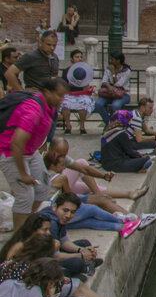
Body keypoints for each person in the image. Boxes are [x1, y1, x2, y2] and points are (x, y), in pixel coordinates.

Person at [0, 77, 66, 224]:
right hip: (10, 152)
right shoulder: (33, 110)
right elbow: (16, 143)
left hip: (30, 151)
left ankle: (27, 224)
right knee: (25, 195)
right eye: (59, 95)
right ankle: (18, 238)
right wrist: (23, 174)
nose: (62, 99)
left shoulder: (48, 105)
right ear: (47, 92)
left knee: (42, 188)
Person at [34, 193, 103, 277]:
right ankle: (84, 268)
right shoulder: (51, 224)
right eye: (65, 210)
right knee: (77, 262)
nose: (68, 215)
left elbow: (64, 241)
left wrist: (81, 250)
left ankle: (86, 265)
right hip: (40, 260)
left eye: (72, 212)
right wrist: (81, 255)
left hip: (52, 253)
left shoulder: (57, 216)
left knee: (84, 244)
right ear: (55, 206)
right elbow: (54, 256)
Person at [60, 50, 94, 134]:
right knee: (64, 103)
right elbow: (63, 86)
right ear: (72, 59)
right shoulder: (66, 71)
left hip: (81, 94)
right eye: (77, 57)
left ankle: (82, 126)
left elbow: (86, 86)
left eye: (80, 57)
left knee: (84, 102)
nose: (79, 59)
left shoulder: (85, 70)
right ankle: (68, 126)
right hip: (69, 94)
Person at [93, 52, 132, 125]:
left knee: (115, 106)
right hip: (109, 93)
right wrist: (109, 87)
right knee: (98, 104)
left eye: (112, 59)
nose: (110, 61)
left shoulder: (126, 71)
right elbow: (103, 81)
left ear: (118, 61)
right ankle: (109, 123)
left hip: (122, 94)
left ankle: (114, 124)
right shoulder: (108, 69)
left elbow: (119, 84)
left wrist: (113, 73)